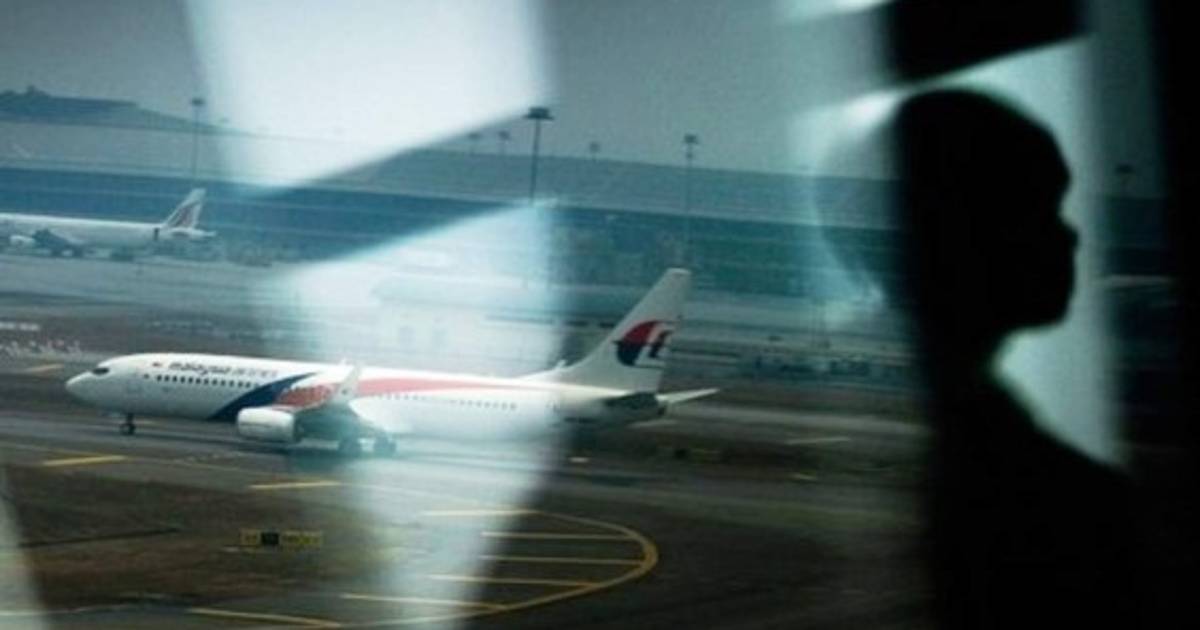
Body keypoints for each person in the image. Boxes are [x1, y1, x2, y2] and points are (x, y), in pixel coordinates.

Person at [883, 89, 1136, 628]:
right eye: (1041, 208)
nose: (1071, 234)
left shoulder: (989, 458)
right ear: (967, 238)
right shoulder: (1056, 494)